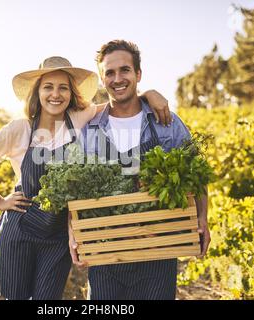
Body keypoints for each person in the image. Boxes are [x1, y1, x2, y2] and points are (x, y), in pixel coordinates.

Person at [0, 55, 173, 300]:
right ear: (37, 92)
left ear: (71, 93)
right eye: (48, 87)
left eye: (63, 88)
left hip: (57, 235)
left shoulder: (78, 118)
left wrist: (149, 93)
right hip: (20, 230)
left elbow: (120, 101)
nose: (56, 94)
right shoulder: (18, 129)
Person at [68, 40, 210, 300]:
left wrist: (202, 217)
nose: (117, 78)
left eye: (125, 70)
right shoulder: (90, 130)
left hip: (158, 249)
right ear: (102, 78)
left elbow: (196, 172)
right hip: (106, 252)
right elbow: (75, 191)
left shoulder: (165, 121)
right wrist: (72, 233)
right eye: (109, 73)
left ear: (138, 74)